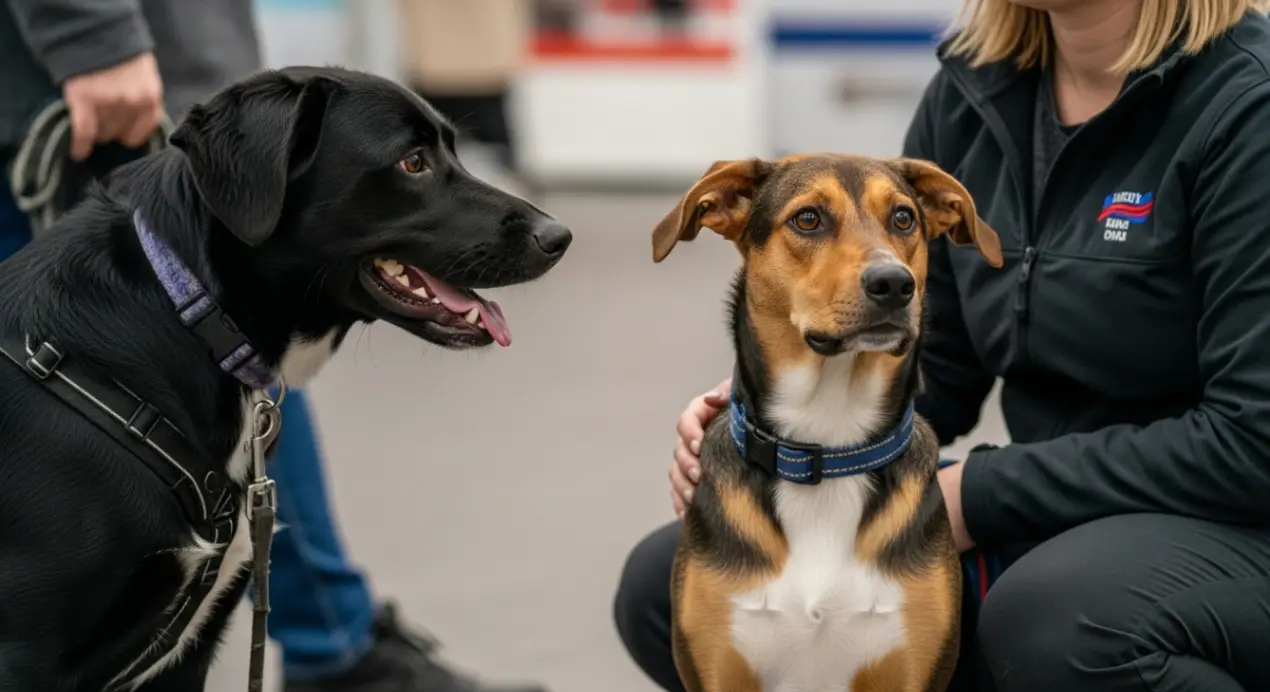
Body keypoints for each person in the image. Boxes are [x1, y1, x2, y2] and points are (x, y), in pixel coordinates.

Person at [613, 0, 1270, 690]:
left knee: (1059, 622)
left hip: (1227, 521)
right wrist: (763, 420)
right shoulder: (975, 93)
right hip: (1061, 509)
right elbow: (938, 363)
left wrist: (979, 493)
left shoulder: (1245, 104)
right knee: (670, 584)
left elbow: (1253, 442)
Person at [0, 3, 546, 692]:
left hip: (158, 85)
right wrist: (91, 33)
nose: (449, 184)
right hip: (85, 75)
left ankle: (337, 643)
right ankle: (339, 647)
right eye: (414, 164)